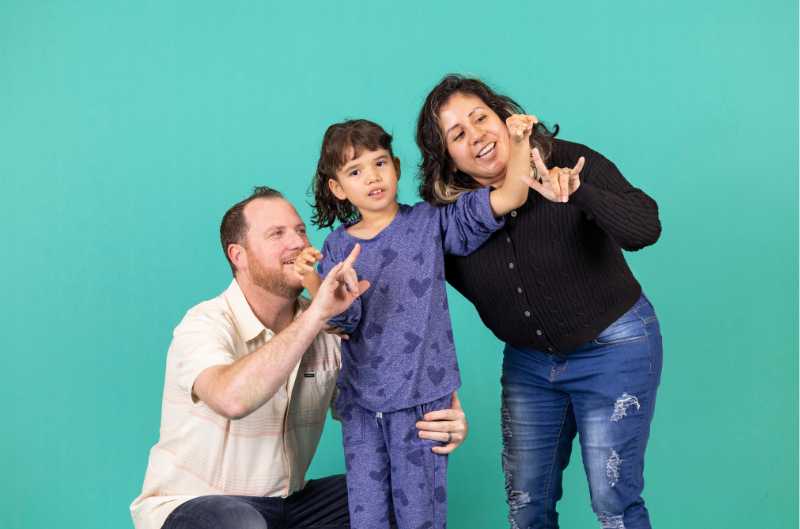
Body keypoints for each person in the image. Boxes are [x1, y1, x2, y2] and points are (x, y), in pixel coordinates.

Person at [130, 186, 469, 529]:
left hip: (289, 506)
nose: (297, 243)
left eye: (300, 231)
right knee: (239, 522)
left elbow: (378, 398)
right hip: (195, 507)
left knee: (396, 498)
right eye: (277, 234)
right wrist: (316, 315)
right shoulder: (203, 324)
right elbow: (231, 398)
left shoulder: (327, 328)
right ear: (239, 255)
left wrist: (439, 413)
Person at [415, 74, 663, 529]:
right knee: (527, 505)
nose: (477, 137)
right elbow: (415, 298)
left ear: (505, 118)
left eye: (480, 118)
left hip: (614, 347)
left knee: (614, 502)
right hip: (530, 366)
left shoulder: (568, 159)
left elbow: (645, 227)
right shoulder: (448, 219)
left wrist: (578, 192)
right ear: (446, 157)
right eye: (458, 134)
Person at [294, 118, 535, 529]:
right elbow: (344, 320)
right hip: (362, 408)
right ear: (337, 187)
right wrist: (312, 282)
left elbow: (510, 195)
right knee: (367, 520)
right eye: (355, 171)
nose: (372, 177)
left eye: (380, 163)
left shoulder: (428, 222)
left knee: (420, 519)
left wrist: (519, 140)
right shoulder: (337, 246)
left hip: (423, 400)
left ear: (397, 167)